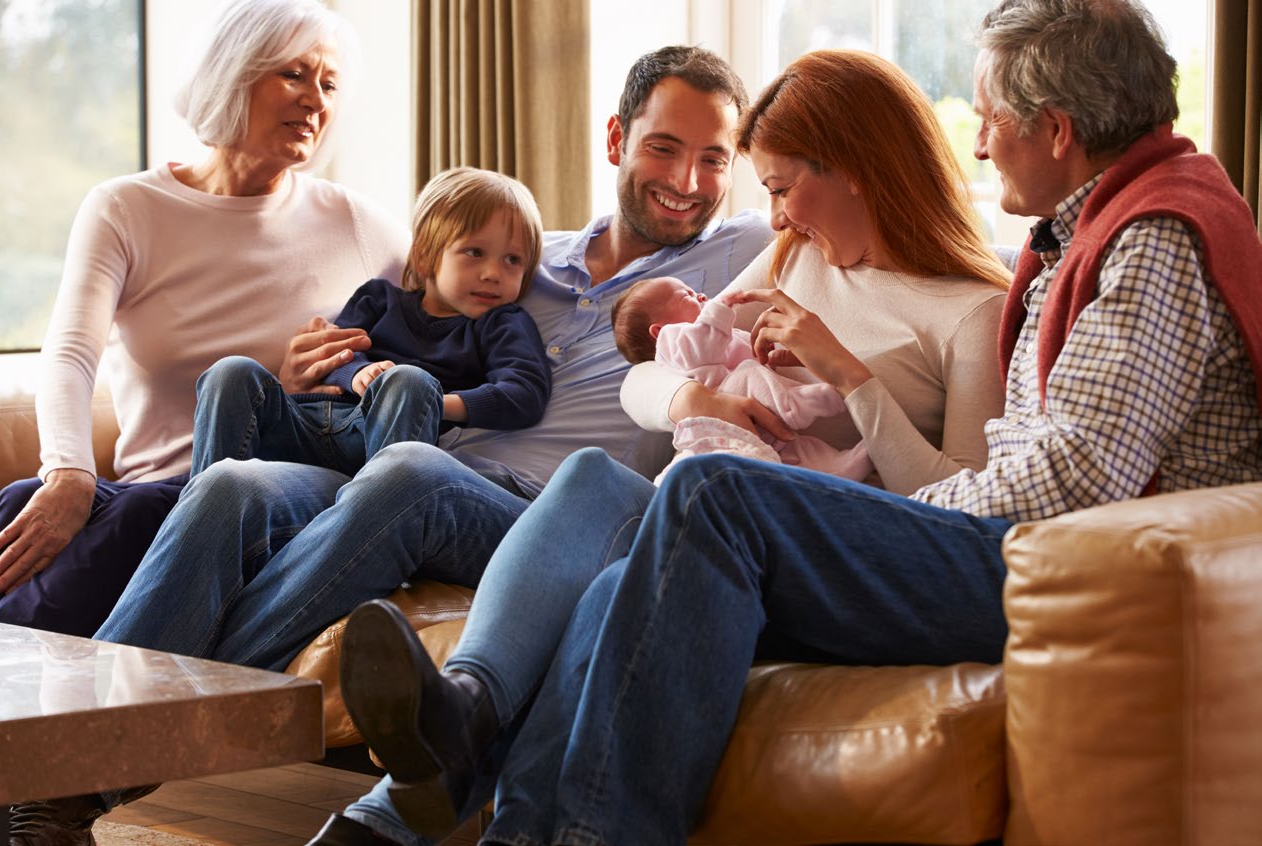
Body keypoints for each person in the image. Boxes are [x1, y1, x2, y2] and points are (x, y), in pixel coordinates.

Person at [334, 1, 1262, 844]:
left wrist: (870, 471)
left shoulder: (1149, 243)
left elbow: (1064, 483)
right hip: (993, 534)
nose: (979, 145)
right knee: (624, 534)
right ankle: (485, 779)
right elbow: (662, 365)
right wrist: (698, 399)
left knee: (707, 494)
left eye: (993, 120)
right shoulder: (1070, 239)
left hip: (1028, 554)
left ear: (1056, 130)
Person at [6, 45, 773, 846]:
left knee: (410, 471)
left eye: (715, 159)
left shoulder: (738, 253)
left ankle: (90, 764)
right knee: (236, 483)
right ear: (616, 139)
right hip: (408, 467)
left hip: (539, 517)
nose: (688, 181)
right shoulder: (523, 256)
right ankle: (50, 785)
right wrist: (312, 365)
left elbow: (840, 217)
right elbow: (388, 310)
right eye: (665, 147)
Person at [330, 47, 1017, 846]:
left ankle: (424, 811)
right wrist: (698, 397)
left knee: (605, 590)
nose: (777, 215)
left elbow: (961, 499)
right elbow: (653, 372)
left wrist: (851, 378)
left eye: (783, 188)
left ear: (856, 167)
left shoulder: (972, 312)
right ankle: (470, 717)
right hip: (714, 508)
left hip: (815, 544)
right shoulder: (794, 256)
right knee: (593, 481)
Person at [0, 0, 408, 638]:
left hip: (266, 501)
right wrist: (71, 474)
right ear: (233, 73)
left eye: (329, 85)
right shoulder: (126, 208)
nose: (315, 100)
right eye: (294, 75)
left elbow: (432, 348)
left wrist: (316, 389)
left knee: (135, 521)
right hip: (144, 492)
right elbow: (72, 355)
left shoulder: (361, 226)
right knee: (23, 505)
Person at [190, 167, 550, 479]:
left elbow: (525, 394)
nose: (493, 273)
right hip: (307, 426)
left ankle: (372, 515)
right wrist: (356, 374)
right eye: (475, 252)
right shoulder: (379, 298)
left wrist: (434, 402)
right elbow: (332, 355)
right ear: (425, 256)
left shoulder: (502, 323)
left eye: (513, 260)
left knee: (407, 381)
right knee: (230, 372)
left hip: (379, 441)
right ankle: (199, 507)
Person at [611, 275, 872, 481]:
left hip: (759, 423)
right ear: (659, 330)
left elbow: (748, 350)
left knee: (806, 454)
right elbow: (705, 346)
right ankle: (799, 404)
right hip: (725, 407)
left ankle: (855, 461)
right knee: (748, 372)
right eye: (686, 295)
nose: (700, 294)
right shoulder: (674, 342)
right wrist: (720, 307)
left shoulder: (719, 329)